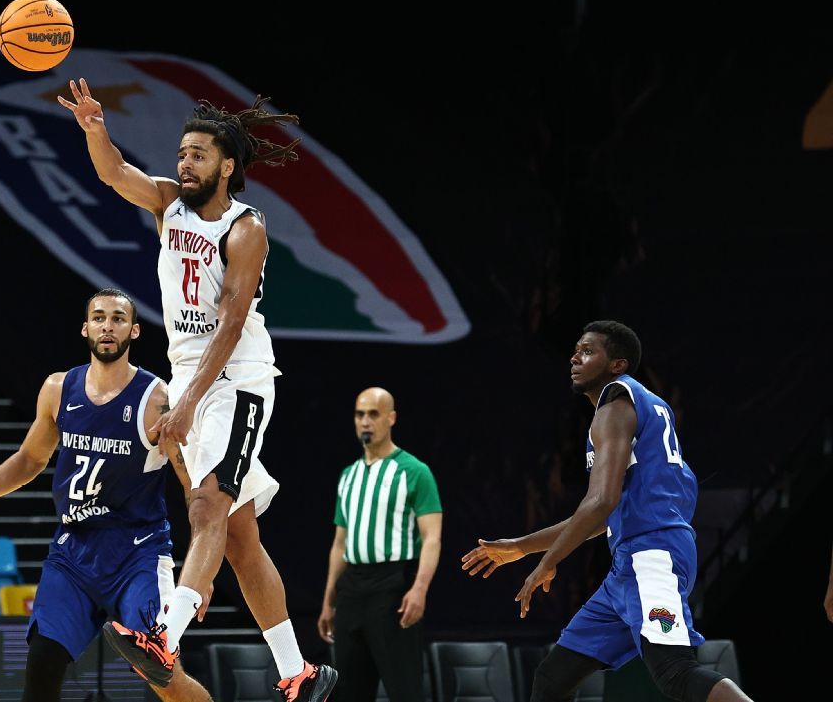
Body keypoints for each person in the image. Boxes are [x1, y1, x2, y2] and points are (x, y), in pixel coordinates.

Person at [59, 78, 335, 702]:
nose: (183, 162)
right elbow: (115, 175)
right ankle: (298, 673)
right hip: (190, 374)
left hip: (238, 378)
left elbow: (233, 322)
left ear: (227, 166)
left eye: (198, 155)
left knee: (208, 505)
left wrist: (183, 404)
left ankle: (165, 635)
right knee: (238, 538)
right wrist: (94, 129)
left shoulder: (245, 228)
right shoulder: (167, 206)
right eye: (181, 153)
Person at [460, 321, 752, 702]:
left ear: (617, 364)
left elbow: (601, 502)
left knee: (675, 673)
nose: (575, 357)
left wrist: (548, 561)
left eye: (587, 351)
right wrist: (522, 546)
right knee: (553, 679)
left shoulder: (614, 407)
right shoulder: (637, 405)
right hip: (628, 564)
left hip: (652, 556)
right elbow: (601, 514)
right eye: (575, 349)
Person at [0, 289, 211, 702]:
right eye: (99, 317)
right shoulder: (57, 388)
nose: (108, 325)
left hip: (136, 553)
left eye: (118, 319)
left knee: (162, 674)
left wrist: (201, 571)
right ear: (85, 328)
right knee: (42, 666)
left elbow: (194, 488)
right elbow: (31, 458)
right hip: (74, 553)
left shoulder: (157, 401)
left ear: (134, 331)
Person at [318, 388, 442, 701]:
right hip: (351, 589)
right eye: (360, 414)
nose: (365, 421)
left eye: (373, 414)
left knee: (404, 689)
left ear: (391, 418)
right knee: (348, 690)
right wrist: (329, 598)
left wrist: (420, 589)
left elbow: (432, 538)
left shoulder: (415, 471)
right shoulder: (349, 475)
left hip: (392, 587)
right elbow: (339, 542)